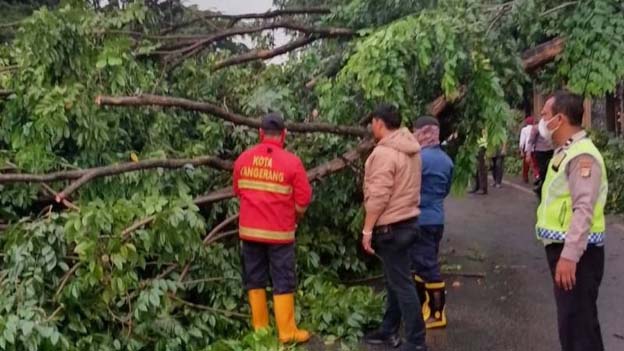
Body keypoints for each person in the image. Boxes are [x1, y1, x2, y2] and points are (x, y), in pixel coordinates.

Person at [535, 91, 608, 351]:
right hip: (570, 251)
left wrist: (569, 257)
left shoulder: (581, 156)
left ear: (560, 118)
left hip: (578, 254)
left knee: (577, 328)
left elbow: (583, 210)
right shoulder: (566, 151)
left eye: (544, 114)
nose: (540, 120)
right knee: (578, 324)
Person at [232, 113, 313, 344]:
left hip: (249, 232)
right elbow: (303, 200)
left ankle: (261, 332)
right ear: (284, 135)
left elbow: (237, 191)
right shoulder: (292, 162)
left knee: (255, 278)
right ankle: (287, 333)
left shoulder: (243, 159)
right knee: (282, 279)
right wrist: (295, 214)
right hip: (280, 234)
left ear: (260, 134)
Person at [361, 104, 427, 351]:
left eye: (372, 123)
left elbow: (378, 196)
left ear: (379, 123)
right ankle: (388, 330)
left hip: (391, 227)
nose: (371, 127)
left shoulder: (384, 154)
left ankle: (417, 341)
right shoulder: (411, 149)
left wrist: (367, 230)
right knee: (395, 280)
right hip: (408, 223)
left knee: (402, 284)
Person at [410, 116, 454, 329]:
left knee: (428, 266)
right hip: (437, 219)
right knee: (421, 264)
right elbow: (446, 190)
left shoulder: (418, 158)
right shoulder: (447, 160)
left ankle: (438, 314)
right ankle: (423, 306)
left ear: (422, 133)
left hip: (420, 220)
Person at [528, 114, 555, 197]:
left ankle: (544, 186)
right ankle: (540, 188)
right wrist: (528, 153)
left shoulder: (551, 128)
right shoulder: (536, 128)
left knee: (550, 170)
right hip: (540, 152)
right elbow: (530, 141)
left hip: (551, 151)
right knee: (543, 170)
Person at [519, 116, 539, 183]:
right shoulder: (536, 128)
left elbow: (522, 141)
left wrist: (521, 150)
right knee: (535, 163)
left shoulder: (524, 129)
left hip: (527, 148)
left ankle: (525, 177)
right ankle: (536, 176)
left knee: (526, 164)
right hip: (535, 148)